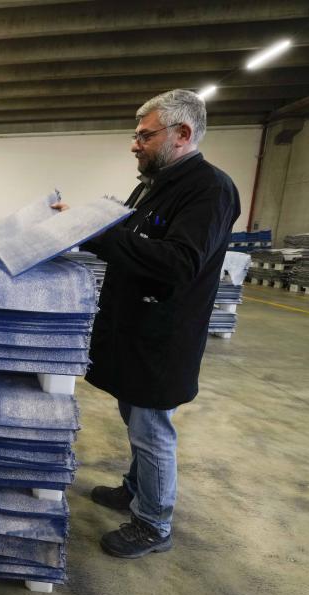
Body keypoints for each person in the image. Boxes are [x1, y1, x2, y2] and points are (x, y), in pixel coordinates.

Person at [54, 89, 241, 558]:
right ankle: (135, 489)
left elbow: (180, 261)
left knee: (152, 428)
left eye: (145, 135)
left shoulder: (210, 189)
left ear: (182, 133)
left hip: (165, 335)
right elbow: (127, 241)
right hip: (133, 329)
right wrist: (82, 224)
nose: (135, 144)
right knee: (133, 416)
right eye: (136, 135)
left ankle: (153, 523)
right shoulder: (154, 183)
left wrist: (101, 233)